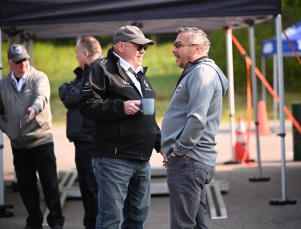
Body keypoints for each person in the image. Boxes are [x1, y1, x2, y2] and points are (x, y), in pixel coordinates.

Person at [78, 25, 165, 229]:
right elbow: (85, 104)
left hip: (141, 160)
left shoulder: (141, 76)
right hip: (113, 159)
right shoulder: (101, 68)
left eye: (145, 47)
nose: (143, 51)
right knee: (111, 221)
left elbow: (148, 118)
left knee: (137, 219)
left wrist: (160, 145)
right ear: (121, 46)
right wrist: (119, 107)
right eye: (139, 46)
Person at [160, 27, 229, 229]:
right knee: (196, 224)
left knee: (182, 225)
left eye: (179, 45)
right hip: (190, 160)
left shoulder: (202, 74)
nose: (174, 50)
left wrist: (178, 150)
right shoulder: (199, 72)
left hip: (188, 160)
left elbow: (197, 119)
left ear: (197, 48)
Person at [0, 44, 65, 229]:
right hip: (19, 145)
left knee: (49, 183)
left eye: (25, 60)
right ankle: (34, 220)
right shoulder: (3, 85)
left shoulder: (39, 77)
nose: (23, 64)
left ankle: (56, 221)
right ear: (10, 63)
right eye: (18, 61)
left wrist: (34, 109)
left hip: (41, 140)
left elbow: (42, 96)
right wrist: (9, 129)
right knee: (26, 186)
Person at [59, 37, 102, 229]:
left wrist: (70, 93)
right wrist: (69, 92)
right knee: (89, 187)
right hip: (85, 138)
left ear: (85, 54)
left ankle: (94, 225)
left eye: (77, 53)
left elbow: (70, 96)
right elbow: (66, 89)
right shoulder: (88, 71)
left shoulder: (96, 70)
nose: (76, 57)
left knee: (92, 188)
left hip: (90, 139)